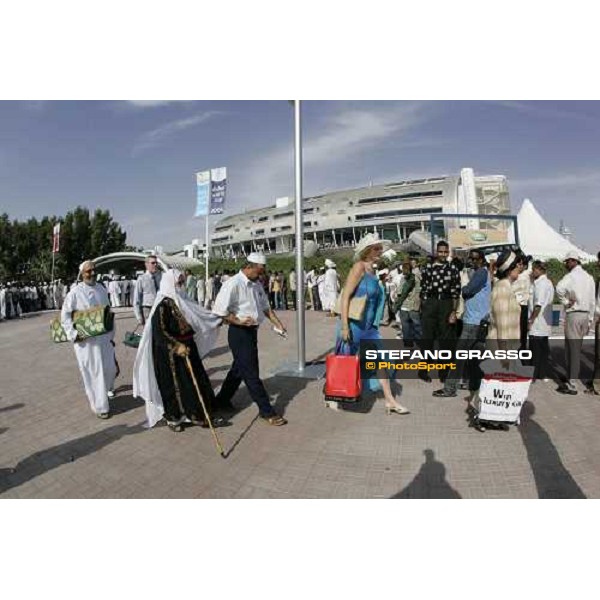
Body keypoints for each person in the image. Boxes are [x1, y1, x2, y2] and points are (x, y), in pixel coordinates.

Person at [133, 269, 224, 432]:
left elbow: (198, 317)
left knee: (193, 382)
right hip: (169, 354)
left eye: (182, 282)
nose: (181, 285)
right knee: (174, 386)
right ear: (169, 283)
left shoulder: (184, 301)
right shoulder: (163, 306)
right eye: (178, 282)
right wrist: (177, 346)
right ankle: (174, 418)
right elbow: (160, 333)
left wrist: (215, 321)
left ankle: (197, 415)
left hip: (189, 348)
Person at [212, 252, 288, 426]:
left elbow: (266, 307)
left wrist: (278, 323)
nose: (261, 276)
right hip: (239, 333)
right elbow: (219, 310)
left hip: (252, 332)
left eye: (262, 273)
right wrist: (238, 320)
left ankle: (221, 400)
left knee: (239, 369)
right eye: (259, 272)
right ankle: (266, 410)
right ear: (249, 267)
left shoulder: (256, 284)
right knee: (251, 373)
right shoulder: (233, 284)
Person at [338, 233, 409, 415]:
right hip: (354, 325)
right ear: (367, 251)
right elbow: (345, 296)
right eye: (376, 248)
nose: (380, 251)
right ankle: (333, 393)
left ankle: (389, 400)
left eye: (380, 248)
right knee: (344, 361)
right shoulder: (358, 267)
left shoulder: (373, 270)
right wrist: (345, 326)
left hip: (370, 328)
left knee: (381, 361)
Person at [61, 261, 117, 419]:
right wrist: (73, 334)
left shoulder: (101, 288)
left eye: (94, 270)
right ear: (82, 274)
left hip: (104, 339)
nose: (92, 273)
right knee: (93, 373)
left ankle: (103, 396)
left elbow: (108, 312)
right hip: (86, 342)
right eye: (88, 271)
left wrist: (112, 334)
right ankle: (100, 407)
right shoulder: (75, 292)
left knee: (109, 370)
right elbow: (65, 316)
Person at [433, 249, 491, 398]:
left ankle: (449, 389)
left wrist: (463, 287)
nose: (472, 261)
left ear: (482, 259)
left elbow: (467, 291)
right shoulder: (479, 272)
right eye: (470, 259)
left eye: (475, 259)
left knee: (459, 357)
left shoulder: (481, 273)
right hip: (476, 321)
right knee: (474, 358)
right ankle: (475, 386)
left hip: (473, 322)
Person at [419, 240, 461, 383]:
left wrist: (454, 312)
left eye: (445, 252)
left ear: (448, 252)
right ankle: (423, 371)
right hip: (430, 303)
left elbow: (456, 291)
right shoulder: (427, 268)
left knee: (446, 341)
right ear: (436, 252)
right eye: (440, 251)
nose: (443, 254)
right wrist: (424, 307)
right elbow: (423, 289)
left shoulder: (453, 269)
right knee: (427, 340)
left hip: (446, 304)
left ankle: (444, 373)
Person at [555, 250, 596, 394]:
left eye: (567, 262)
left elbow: (559, 288)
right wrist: (590, 319)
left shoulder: (571, 276)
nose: (566, 264)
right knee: (576, 349)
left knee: (571, 349)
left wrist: (566, 302)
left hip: (574, 314)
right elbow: (592, 301)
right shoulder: (589, 277)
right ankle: (571, 377)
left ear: (573, 261)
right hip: (585, 315)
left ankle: (572, 383)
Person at [528, 260, 555, 383]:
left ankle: (533, 376)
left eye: (533, 269)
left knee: (535, 350)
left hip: (538, 322)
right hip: (545, 322)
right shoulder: (548, 282)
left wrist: (531, 320)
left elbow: (538, 305)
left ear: (539, 270)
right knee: (543, 350)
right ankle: (542, 374)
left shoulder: (540, 284)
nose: (532, 272)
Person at [393, 260, 422, 347]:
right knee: (415, 326)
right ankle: (418, 344)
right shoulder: (416, 278)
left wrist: (396, 303)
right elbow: (419, 291)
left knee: (408, 327)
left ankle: (409, 345)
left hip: (406, 306)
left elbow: (399, 292)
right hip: (413, 305)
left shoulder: (405, 278)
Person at [133, 255, 162, 326]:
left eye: (156, 263)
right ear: (147, 264)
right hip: (148, 309)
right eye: (153, 263)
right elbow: (136, 299)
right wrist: (139, 317)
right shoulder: (142, 279)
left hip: (160, 308)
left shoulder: (161, 276)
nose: (155, 265)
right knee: (149, 333)